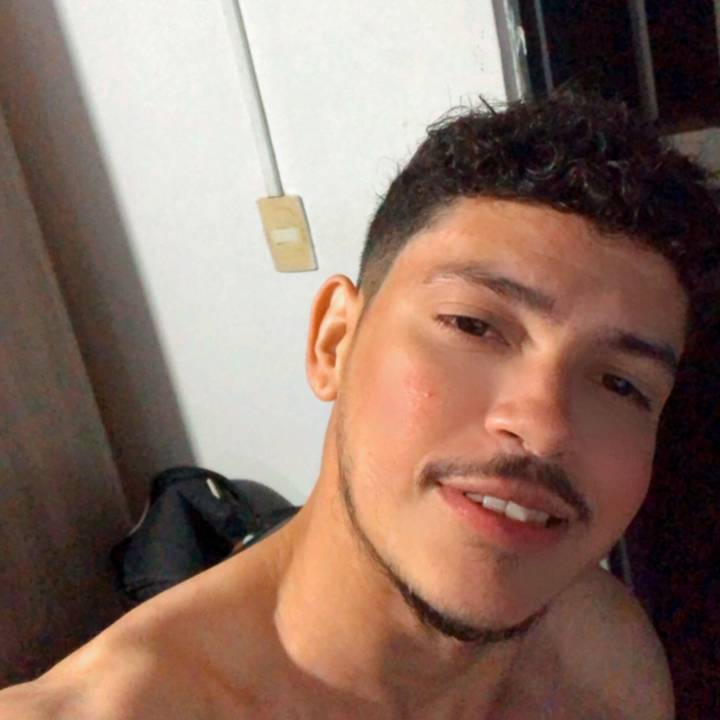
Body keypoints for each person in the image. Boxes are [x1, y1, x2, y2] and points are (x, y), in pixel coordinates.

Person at [1, 90, 718, 719]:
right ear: (334, 342)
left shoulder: (602, 652)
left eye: (621, 384)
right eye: (473, 325)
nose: (544, 426)